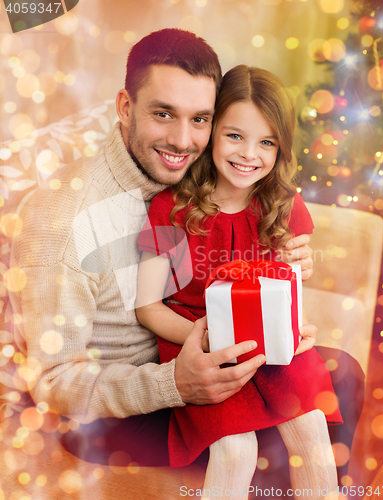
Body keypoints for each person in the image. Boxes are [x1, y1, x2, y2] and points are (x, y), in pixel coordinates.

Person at [9, 29, 363, 474]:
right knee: (255, 444)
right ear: (125, 106)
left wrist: (293, 264)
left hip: (206, 349)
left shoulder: (197, 174)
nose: (182, 141)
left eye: (199, 119)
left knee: (342, 377)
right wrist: (173, 385)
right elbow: (52, 380)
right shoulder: (61, 218)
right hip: (121, 404)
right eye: (163, 114)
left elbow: (247, 228)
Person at [135, 65, 342, 499]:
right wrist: (207, 338)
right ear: (210, 132)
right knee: (234, 450)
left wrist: (296, 315)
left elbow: (291, 288)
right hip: (200, 340)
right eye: (234, 136)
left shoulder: (282, 204)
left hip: (268, 340)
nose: (249, 154)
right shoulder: (171, 210)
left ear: (280, 147)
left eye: (266, 142)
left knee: (311, 426)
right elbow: (148, 306)